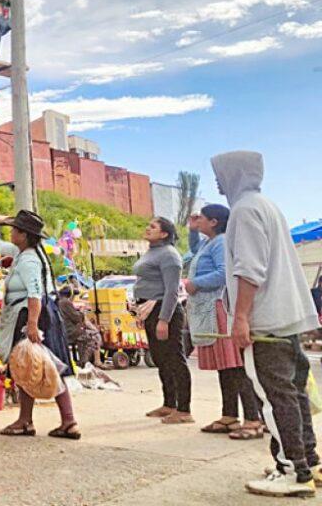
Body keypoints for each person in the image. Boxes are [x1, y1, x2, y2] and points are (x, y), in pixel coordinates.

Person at [212, 151, 321, 498]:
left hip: (265, 319)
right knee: (294, 394)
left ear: (234, 174)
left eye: (220, 173)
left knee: (275, 398)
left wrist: (241, 316)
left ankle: (293, 471)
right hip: (285, 318)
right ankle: (309, 461)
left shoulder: (244, 211)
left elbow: (249, 269)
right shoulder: (266, 205)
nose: (217, 181)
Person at [0, 209, 81, 439]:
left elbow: (34, 294)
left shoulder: (28, 260)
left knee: (44, 366)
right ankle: (31, 420)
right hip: (32, 314)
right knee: (28, 366)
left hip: (31, 315)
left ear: (24, 235)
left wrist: (33, 326)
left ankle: (65, 421)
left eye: (14, 230)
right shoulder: (22, 251)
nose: (11, 233)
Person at [185, 205, 263, 439]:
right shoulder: (210, 243)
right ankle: (229, 414)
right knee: (224, 366)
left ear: (214, 222)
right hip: (209, 308)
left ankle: (252, 418)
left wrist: (196, 283)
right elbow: (194, 249)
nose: (198, 221)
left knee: (234, 365)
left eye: (202, 218)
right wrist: (191, 230)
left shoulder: (222, 242)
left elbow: (223, 273)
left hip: (219, 307)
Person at [134, 217, 193, 423]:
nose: (147, 228)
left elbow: (171, 291)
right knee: (161, 360)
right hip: (149, 309)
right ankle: (169, 404)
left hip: (164, 310)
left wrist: (164, 319)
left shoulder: (169, 255)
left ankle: (184, 409)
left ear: (164, 234)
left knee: (175, 359)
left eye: (153, 227)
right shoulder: (152, 252)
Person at [57, 286, 104, 368]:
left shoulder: (59, 302)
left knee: (88, 333)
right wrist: (82, 312)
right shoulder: (65, 303)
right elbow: (76, 318)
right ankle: (88, 362)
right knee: (94, 336)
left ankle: (90, 361)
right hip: (70, 332)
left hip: (63, 330)